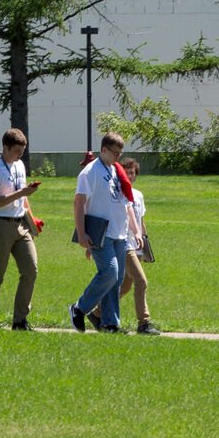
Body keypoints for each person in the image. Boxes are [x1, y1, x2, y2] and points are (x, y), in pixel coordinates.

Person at [89, 155, 159, 334]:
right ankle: (144, 322)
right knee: (141, 281)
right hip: (122, 243)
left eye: (133, 172)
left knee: (126, 286)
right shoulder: (117, 193)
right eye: (126, 172)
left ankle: (97, 313)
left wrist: (143, 241)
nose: (130, 175)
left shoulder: (139, 195)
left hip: (136, 245)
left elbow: (140, 219)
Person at [69, 131, 132, 333]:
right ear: (103, 149)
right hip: (100, 233)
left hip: (119, 232)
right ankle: (80, 308)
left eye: (120, 153)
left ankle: (110, 323)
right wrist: (82, 233)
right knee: (110, 272)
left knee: (116, 279)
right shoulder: (90, 172)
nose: (118, 157)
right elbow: (79, 204)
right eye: (115, 152)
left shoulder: (115, 170)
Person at [0, 128, 41, 329]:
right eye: (16, 151)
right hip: (0, 226)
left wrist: (32, 220)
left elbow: (23, 197)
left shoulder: (19, 165)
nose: (19, 155)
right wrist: (21, 193)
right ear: (5, 147)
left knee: (30, 270)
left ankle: (20, 320)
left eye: (22, 151)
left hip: (20, 224)